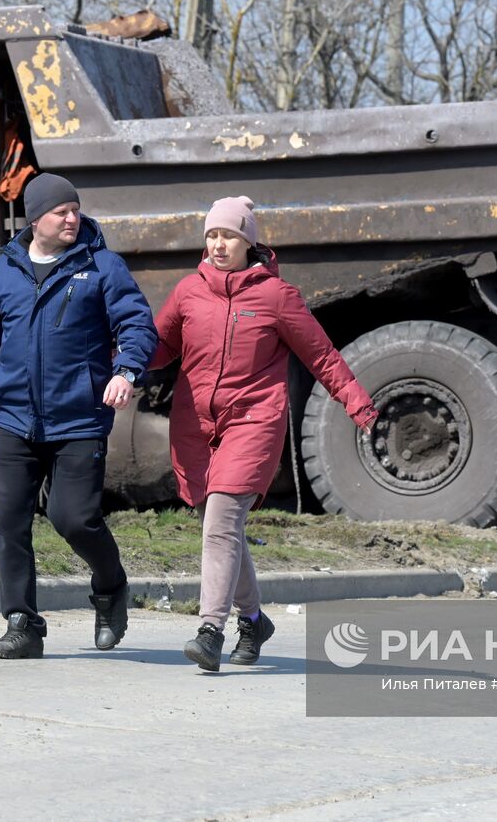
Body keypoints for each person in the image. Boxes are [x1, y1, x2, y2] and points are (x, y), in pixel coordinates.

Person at [150, 196, 378, 672]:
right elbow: (159, 345)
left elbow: (322, 357)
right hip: (195, 424)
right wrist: (114, 365)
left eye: (228, 235)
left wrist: (358, 404)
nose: (217, 243)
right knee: (224, 528)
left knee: (220, 525)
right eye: (211, 234)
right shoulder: (189, 292)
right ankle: (253, 619)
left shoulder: (277, 296)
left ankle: (210, 628)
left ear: (247, 241)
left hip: (253, 420)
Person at [0, 172, 157, 659]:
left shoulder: (101, 266)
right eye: (61, 211)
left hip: (79, 419)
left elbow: (136, 322)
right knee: (11, 522)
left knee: (73, 518)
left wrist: (127, 370)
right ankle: (22, 623)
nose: (73, 218)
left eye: (75, 210)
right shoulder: (5, 271)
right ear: (36, 219)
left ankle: (110, 589)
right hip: (14, 420)